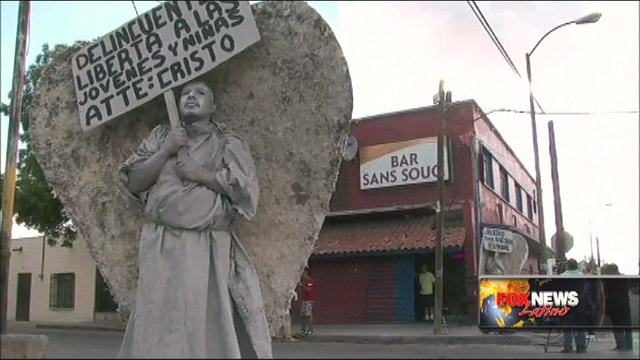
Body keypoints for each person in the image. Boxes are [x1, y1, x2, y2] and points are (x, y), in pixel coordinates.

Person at [117, 80, 272, 358]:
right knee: (158, 320)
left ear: (212, 106)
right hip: (161, 244)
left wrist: (199, 173)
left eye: (200, 93)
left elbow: (246, 193)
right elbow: (134, 182)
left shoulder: (227, 142)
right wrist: (166, 149)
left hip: (207, 245)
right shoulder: (160, 136)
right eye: (185, 93)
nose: (191, 97)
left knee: (203, 323)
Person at [601, 263, 633, 352]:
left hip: (614, 306)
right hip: (625, 304)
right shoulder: (624, 278)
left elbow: (605, 291)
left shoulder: (609, 280)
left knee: (617, 326)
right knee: (627, 326)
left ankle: (621, 345)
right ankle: (629, 345)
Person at [560, 258, 588, 354]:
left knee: (567, 326)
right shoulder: (582, 276)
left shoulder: (562, 276)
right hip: (580, 305)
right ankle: (581, 348)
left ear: (567, 266)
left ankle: (568, 347)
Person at [297, 268, 316, 337]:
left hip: (309, 299)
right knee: (303, 315)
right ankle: (303, 329)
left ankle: (310, 329)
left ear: (306, 273)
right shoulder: (306, 281)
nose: (302, 275)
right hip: (304, 299)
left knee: (308, 314)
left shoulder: (310, 281)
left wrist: (302, 285)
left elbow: (309, 289)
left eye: (303, 273)